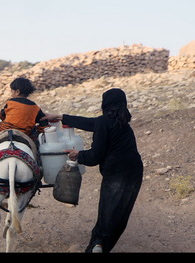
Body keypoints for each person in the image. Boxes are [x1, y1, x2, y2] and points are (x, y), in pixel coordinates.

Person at [41, 88, 143, 253]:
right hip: (135, 173)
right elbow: (91, 123)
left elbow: (95, 156)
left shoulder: (105, 122)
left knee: (107, 213)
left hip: (117, 175)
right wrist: (62, 117)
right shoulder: (122, 122)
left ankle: (97, 245)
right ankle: (101, 245)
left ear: (105, 104)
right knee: (120, 215)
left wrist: (78, 155)